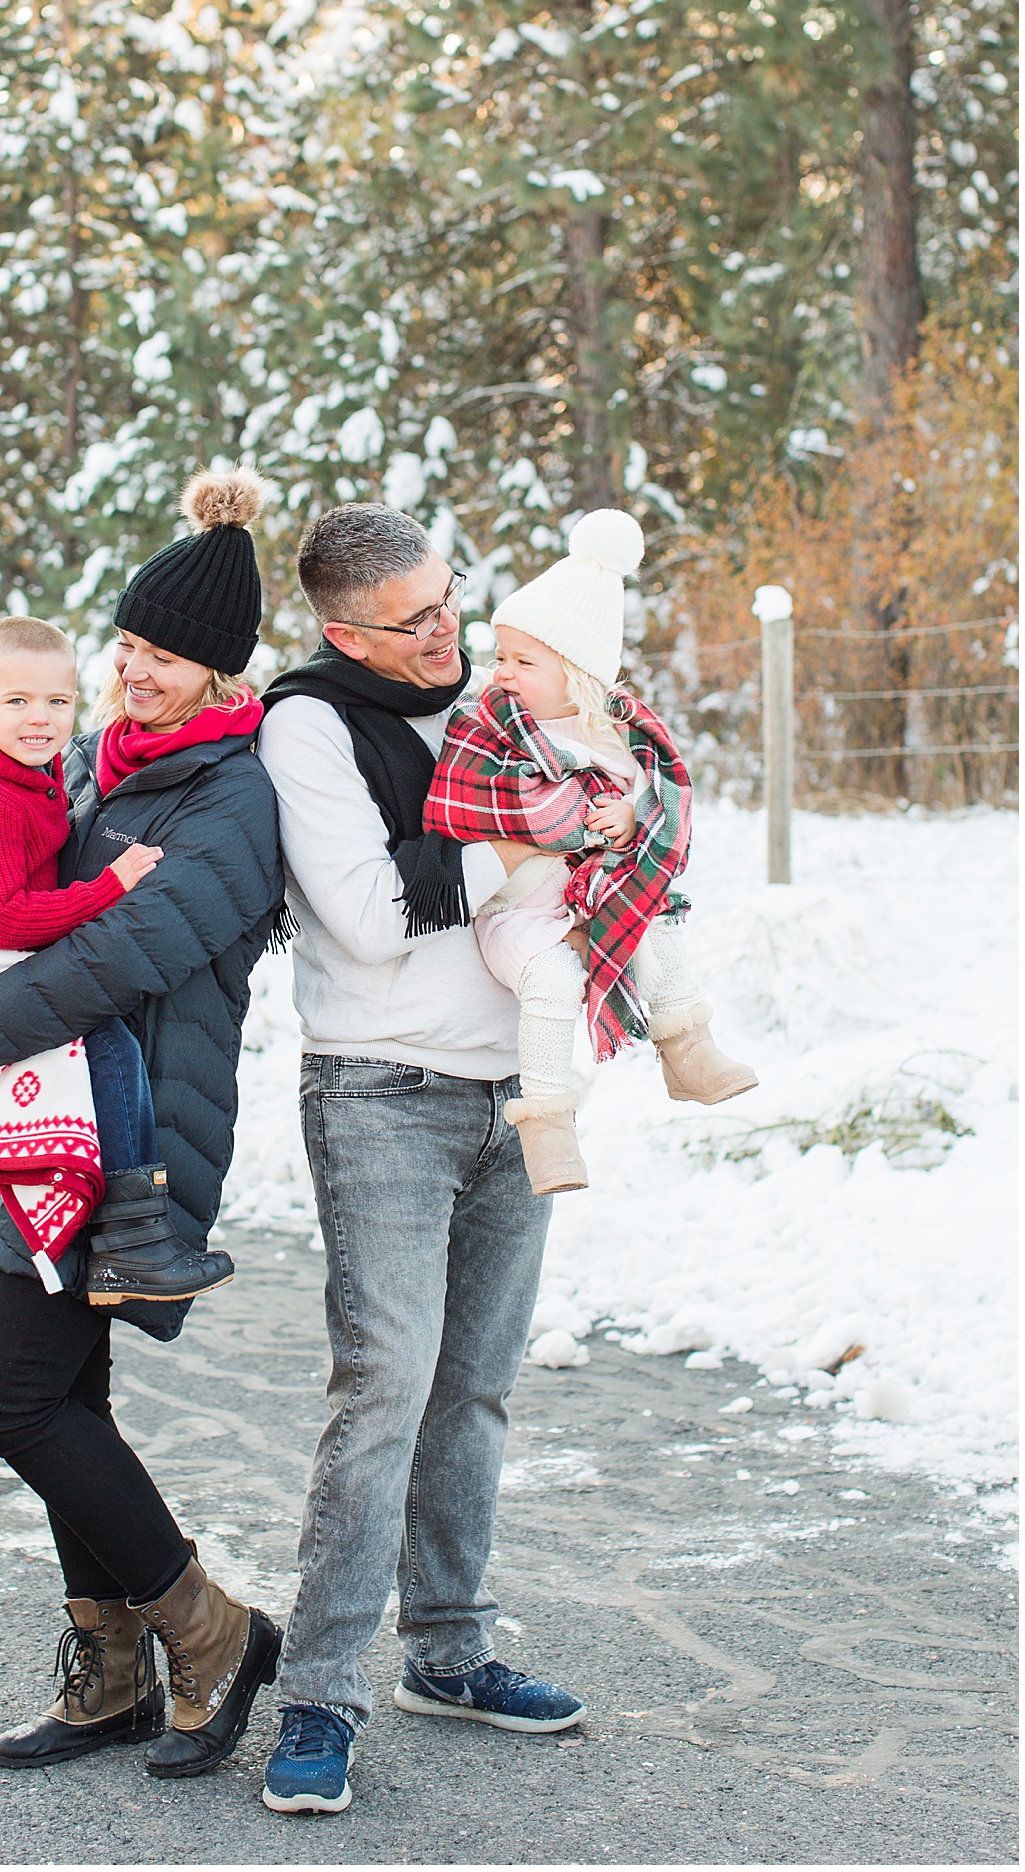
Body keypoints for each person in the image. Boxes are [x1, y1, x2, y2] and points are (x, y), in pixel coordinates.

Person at [0, 468, 285, 1779]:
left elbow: (127, 949)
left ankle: (209, 1630)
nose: (136, 673)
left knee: (13, 1398)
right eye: (128, 646)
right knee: (65, 1389)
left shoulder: (231, 800)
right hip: (49, 1124)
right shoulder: (94, 760)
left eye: (167, 658)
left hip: (128, 1138)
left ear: (220, 674)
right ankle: (108, 1671)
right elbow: (8, 876)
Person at [254, 504, 585, 1818]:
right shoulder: (310, 726)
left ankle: (449, 1653)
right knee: (385, 1385)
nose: (451, 633)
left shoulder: (493, 697)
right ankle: (321, 1691)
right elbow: (376, 914)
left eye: (454, 602)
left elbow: (596, 793)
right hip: (380, 1089)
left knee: (476, 1388)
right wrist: (529, 838)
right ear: (346, 631)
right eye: (418, 622)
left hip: (519, 1087)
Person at [423, 511, 758, 1197]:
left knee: (656, 917)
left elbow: (659, 801)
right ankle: (547, 1122)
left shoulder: (616, 732)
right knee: (551, 983)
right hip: (515, 910)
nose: (503, 671)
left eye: (524, 660)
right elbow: (486, 803)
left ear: (575, 672)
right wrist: (588, 820)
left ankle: (685, 1042)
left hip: (593, 892)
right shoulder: (489, 723)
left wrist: (631, 813)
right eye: (502, 653)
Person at [0, 611, 229, 1302]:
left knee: (96, 1048)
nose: (40, 718)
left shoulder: (36, 768)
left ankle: (120, 1226)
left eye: (57, 700)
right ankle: (133, 1234)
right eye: (16, 701)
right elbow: (7, 916)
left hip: (1, 936)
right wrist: (108, 886)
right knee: (105, 1045)